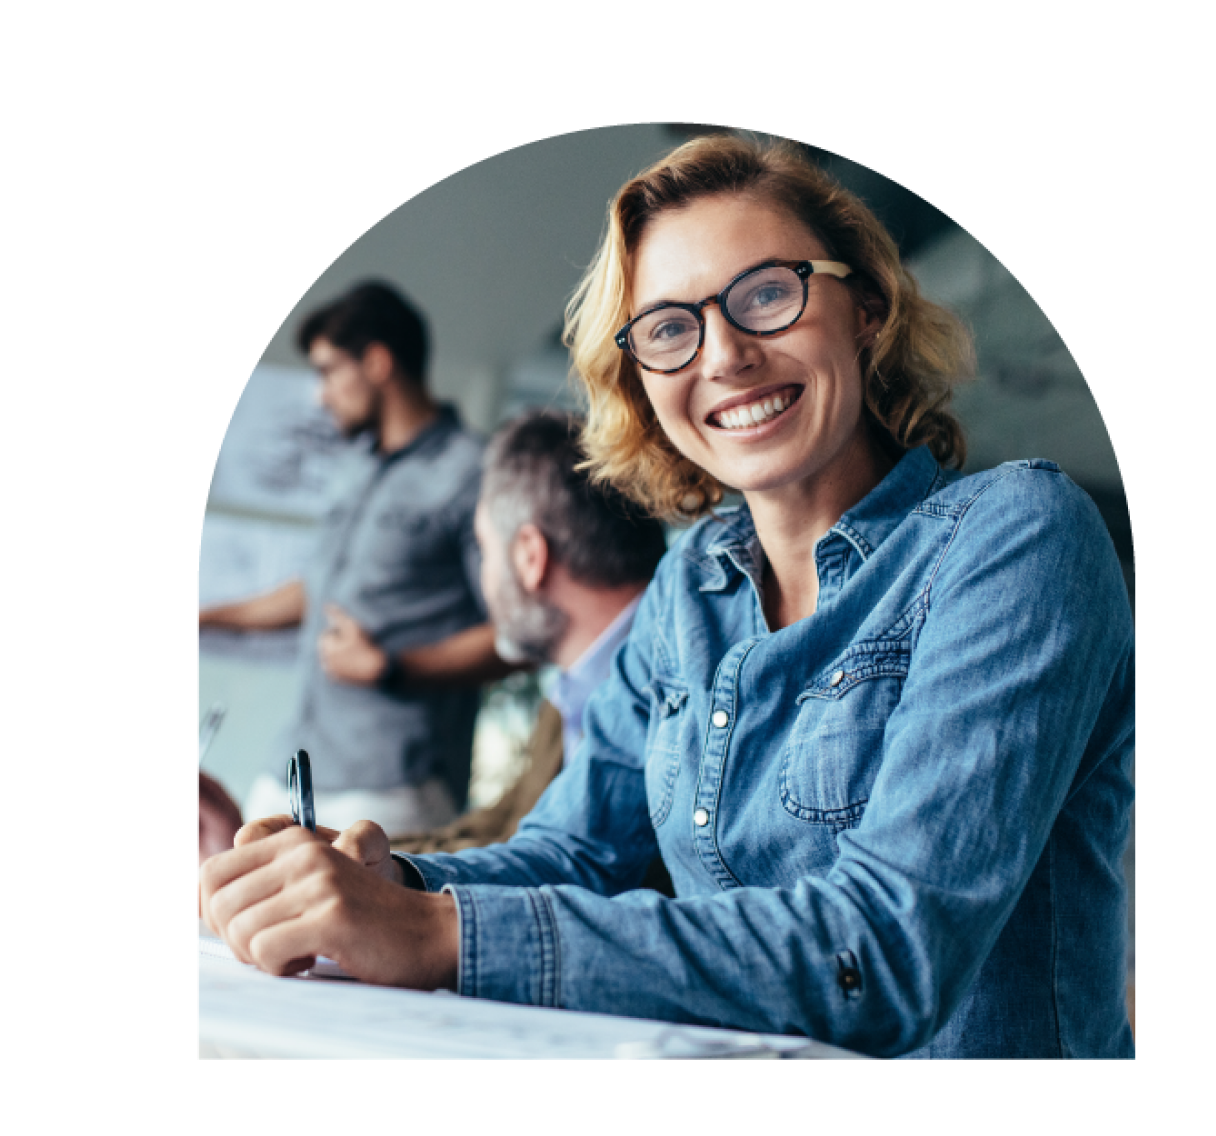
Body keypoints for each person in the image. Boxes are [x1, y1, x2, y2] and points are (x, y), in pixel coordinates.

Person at [198, 137, 1136, 1060]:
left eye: (769, 292)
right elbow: (576, 855)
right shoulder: (691, 586)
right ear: (644, 381)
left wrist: (437, 934)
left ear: (867, 308)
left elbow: (883, 954)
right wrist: (391, 882)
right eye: (670, 328)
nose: (723, 355)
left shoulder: (1019, 535)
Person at [196, 281, 510, 847]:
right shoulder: (353, 470)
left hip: (391, 783)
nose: (321, 396)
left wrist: (393, 666)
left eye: (328, 372)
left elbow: (517, 635)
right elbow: (314, 591)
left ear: (377, 361)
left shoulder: (473, 473)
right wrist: (205, 616)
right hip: (293, 760)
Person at [388, 410, 668, 857]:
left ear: (529, 557)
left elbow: (556, 876)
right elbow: (506, 829)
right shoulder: (574, 690)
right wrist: (348, 858)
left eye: (484, 550)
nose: (484, 582)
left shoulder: (672, 693)